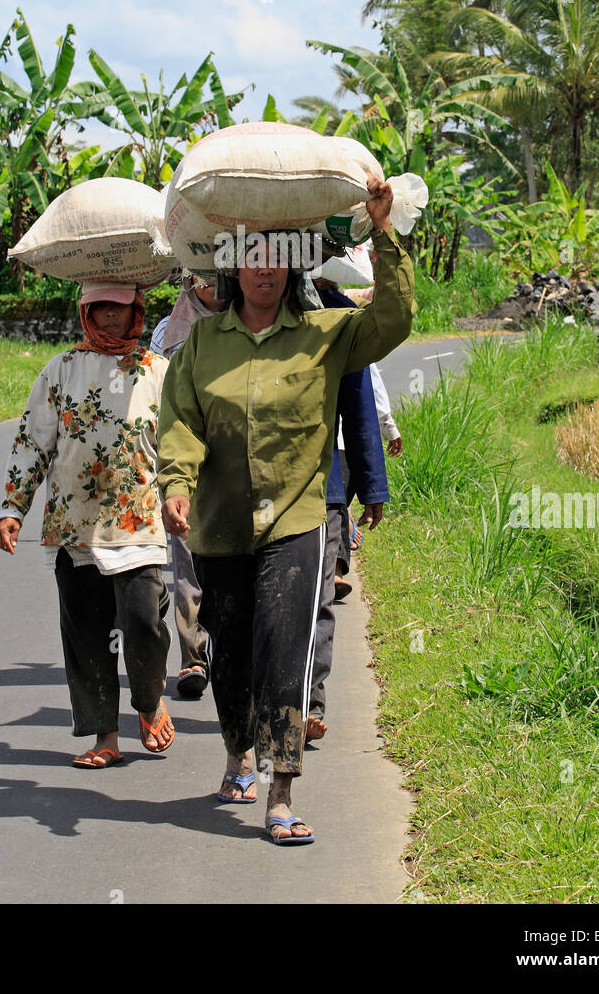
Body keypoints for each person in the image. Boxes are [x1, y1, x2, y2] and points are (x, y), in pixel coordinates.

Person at [157, 177, 414, 844]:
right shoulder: (202, 345)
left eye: (276, 257)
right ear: (233, 266)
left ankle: (280, 788)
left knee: (285, 651)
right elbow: (179, 421)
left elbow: (392, 321)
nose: (264, 270)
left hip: (296, 522)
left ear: (292, 266)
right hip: (219, 525)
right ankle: (236, 749)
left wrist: (383, 232)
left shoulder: (326, 335)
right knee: (232, 657)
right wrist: (176, 483)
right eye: (251, 257)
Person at [0, 281, 174, 767]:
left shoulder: (159, 372)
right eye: (101, 309)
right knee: (87, 633)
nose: (111, 319)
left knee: (143, 622)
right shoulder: (60, 370)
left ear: (137, 311)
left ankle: (149, 696)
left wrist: (182, 497)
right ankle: (105, 736)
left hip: (138, 523)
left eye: (120, 309)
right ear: (86, 312)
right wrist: (14, 508)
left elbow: (180, 444)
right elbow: (33, 442)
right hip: (74, 527)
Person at [306, 273, 389, 740]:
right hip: (247, 491)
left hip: (325, 488)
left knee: (317, 602)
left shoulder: (338, 314)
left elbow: (358, 404)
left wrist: (372, 484)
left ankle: (309, 699)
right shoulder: (234, 311)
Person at [149, 274, 226, 699]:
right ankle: (194, 656)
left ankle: (233, 648)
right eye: (202, 276)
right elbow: (157, 401)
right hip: (185, 464)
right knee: (185, 560)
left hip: (234, 463)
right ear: (188, 279)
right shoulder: (168, 334)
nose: (212, 284)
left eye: (219, 275)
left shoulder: (247, 321)